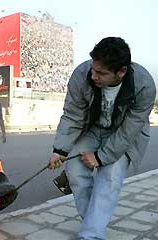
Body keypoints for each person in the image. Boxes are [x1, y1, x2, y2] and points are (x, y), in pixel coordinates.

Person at [48, 37, 156, 240]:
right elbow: (72, 114)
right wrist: (59, 150)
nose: (93, 75)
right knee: (75, 170)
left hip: (122, 133)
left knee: (111, 175)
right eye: (93, 69)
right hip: (91, 129)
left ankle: (91, 235)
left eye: (101, 73)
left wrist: (100, 157)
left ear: (121, 72)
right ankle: (93, 224)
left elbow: (129, 130)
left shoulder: (144, 85)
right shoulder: (82, 74)